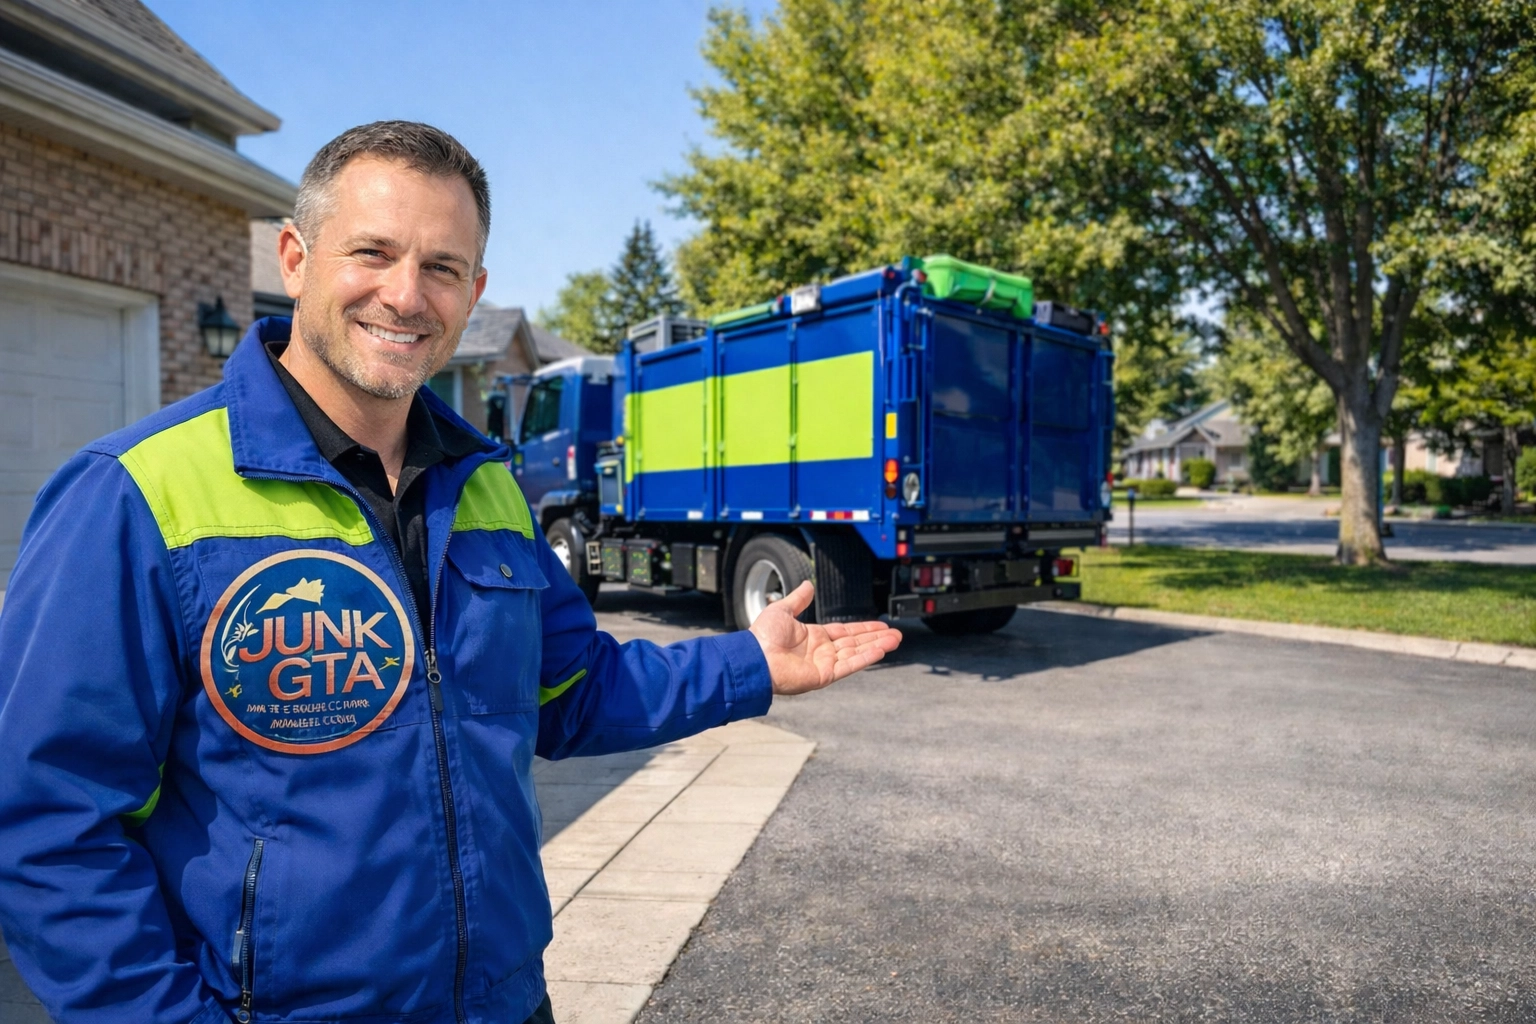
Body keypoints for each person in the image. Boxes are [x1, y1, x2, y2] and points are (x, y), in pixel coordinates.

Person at [0, 121, 901, 1024]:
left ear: (473, 293)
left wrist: (752, 664)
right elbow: (48, 824)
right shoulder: (133, 493)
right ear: (295, 258)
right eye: (372, 252)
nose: (404, 295)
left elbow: (568, 691)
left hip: (506, 1004)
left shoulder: (490, 487)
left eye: (440, 268)